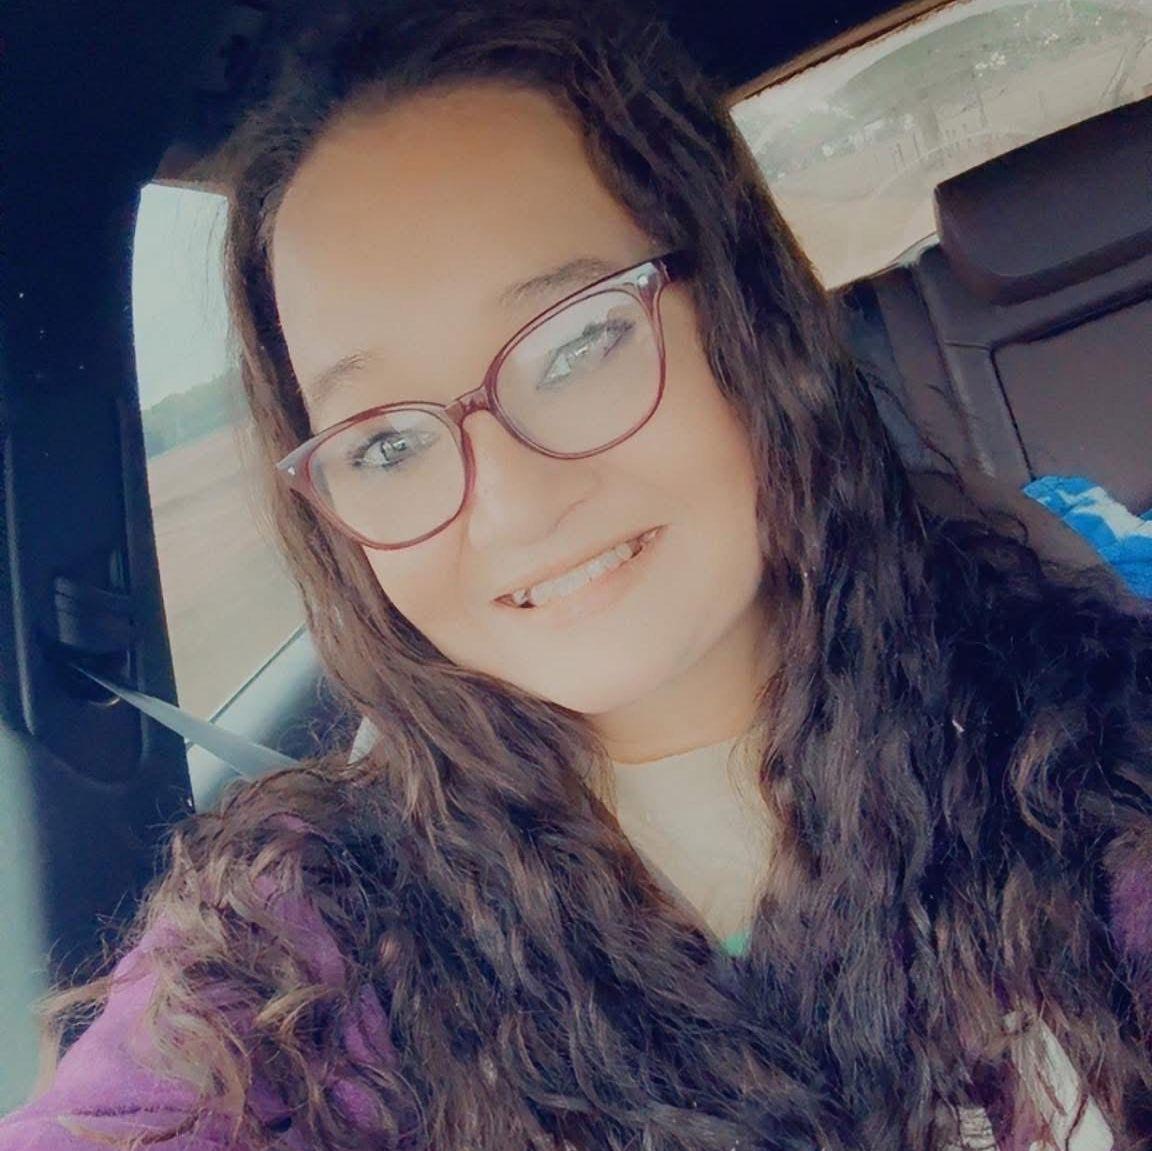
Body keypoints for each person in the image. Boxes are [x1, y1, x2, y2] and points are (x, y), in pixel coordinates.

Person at [3, 1, 1151, 1149]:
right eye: (387, 443)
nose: (512, 502)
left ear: (746, 313)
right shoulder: (305, 945)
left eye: (578, 342)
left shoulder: (1084, 736)